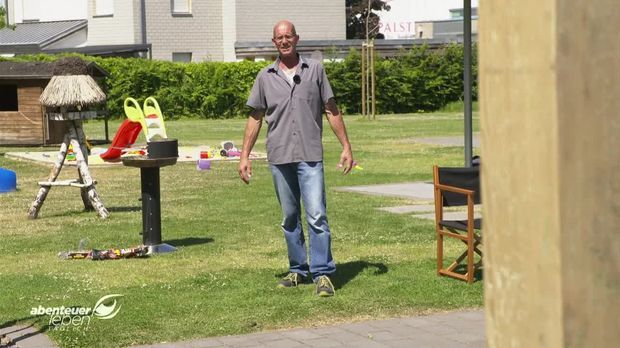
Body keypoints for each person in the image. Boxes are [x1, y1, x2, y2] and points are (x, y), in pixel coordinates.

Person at [239, 20, 353, 297]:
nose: (284, 40)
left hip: (310, 155)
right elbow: (255, 117)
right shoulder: (265, 76)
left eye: (288, 36)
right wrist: (244, 155)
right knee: (290, 217)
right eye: (279, 37)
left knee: (316, 216)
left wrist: (346, 147)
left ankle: (323, 274)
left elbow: (331, 109)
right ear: (274, 42)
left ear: (297, 39)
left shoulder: (315, 70)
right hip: (279, 157)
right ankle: (297, 269)